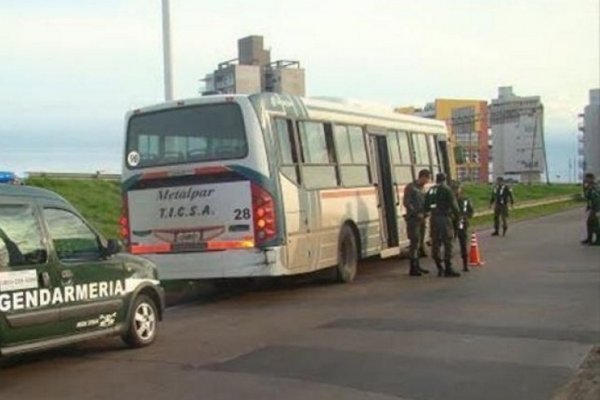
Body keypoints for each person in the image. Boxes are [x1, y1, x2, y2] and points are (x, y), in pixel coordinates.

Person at [425, 173, 461, 277]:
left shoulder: (431, 190)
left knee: (435, 243)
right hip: (445, 219)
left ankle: (439, 267)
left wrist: (433, 209)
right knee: (448, 243)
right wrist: (457, 219)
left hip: (434, 219)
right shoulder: (447, 190)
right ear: (445, 180)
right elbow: (455, 207)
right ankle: (448, 268)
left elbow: (426, 206)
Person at [403, 169, 431, 276]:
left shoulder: (422, 189)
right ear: (422, 177)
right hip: (413, 220)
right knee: (414, 242)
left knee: (420, 242)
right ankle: (413, 268)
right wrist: (415, 213)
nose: (428, 181)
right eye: (427, 178)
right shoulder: (411, 188)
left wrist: (426, 212)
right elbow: (406, 203)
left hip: (422, 218)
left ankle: (418, 265)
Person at [451, 180, 475, 271]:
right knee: (449, 244)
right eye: (454, 189)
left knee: (463, 244)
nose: (456, 191)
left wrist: (465, 217)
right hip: (451, 222)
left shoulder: (465, 200)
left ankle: (465, 264)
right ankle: (449, 265)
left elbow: (471, 211)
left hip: (461, 222)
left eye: (457, 189)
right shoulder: (450, 200)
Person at [581, 173, 600, 245]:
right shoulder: (588, 187)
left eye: (586, 179)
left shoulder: (594, 188)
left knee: (595, 224)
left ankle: (598, 240)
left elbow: (597, 200)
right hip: (593, 208)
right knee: (589, 223)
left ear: (590, 179)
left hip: (596, 208)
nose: (585, 180)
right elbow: (589, 199)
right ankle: (589, 239)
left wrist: (597, 211)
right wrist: (588, 208)